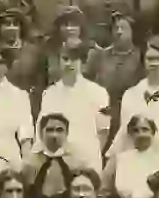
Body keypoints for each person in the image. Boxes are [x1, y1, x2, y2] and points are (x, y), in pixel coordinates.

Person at [38, 44, 110, 173]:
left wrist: (90, 155)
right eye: (65, 59)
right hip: (57, 160)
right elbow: (42, 129)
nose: (69, 63)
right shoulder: (49, 93)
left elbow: (103, 131)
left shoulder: (98, 92)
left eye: (74, 59)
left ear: (82, 63)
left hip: (87, 160)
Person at [86, 12, 143, 145]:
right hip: (103, 114)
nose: (119, 32)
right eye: (116, 28)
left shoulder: (141, 56)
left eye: (124, 28)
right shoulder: (100, 56)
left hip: (130, 114)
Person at [21, 114, 83, 198]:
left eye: (59, 130)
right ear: (41, 134)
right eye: (49, 130)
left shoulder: (77, 161)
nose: (54, 135)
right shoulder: (29, 162)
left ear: (66, 133)